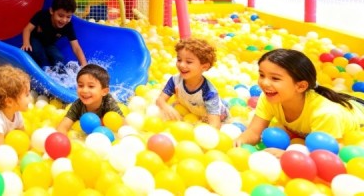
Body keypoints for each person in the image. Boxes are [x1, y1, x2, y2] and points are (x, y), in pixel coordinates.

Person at [234, 49, 364, 149]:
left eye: (275, 78)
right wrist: (240, 142)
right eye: (262, 75)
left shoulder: (326, 114)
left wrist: (286, 154)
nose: (264, 83)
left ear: (301, 86)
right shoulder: (270, 97)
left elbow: (326, 153)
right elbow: (254, 132)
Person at [156, 38, 228, 129]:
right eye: (179, 60)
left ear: (204, 67)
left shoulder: (209, 92)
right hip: (190, 108)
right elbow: (160, 100)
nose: (181, 65)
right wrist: (165, 107)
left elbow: (215, 124)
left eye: (189, 62)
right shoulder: (175, 80)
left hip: (217, 116)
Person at [21, 0, 87, 68]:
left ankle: (56, 71)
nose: (64, 20)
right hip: (35, 39)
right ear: (51, 11)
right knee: (39, 53)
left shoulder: (68, 26)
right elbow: (27, 29)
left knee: (59, 58)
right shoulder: (42, 16)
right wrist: (26, 43)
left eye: (68, 17)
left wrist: (84, 65)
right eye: (60, 16)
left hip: (49, 44)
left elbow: (76, 47)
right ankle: (44, 68)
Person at [56, 64, 122, 134]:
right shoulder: (78, 105)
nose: (84, 90)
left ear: (104, 91)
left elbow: (123, 124)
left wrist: (102, 123)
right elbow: (62, 128)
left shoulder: (108, 101)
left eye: (91, 86)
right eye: (80, 85)